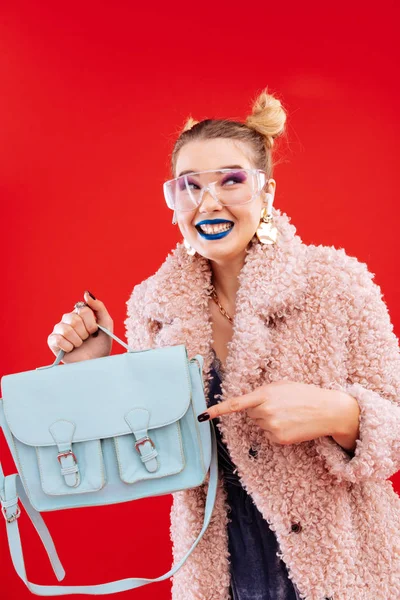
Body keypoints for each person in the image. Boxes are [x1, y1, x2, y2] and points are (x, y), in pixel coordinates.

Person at [48, 87, 400, 600]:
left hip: (347, 566)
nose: (207, 201)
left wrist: (338, 413)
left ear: (268, 193)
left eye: (231, 181)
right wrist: (93, 375)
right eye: (189, 186)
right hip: (220, 572)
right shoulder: (153, 306)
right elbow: (149, 461)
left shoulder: (337, 282)